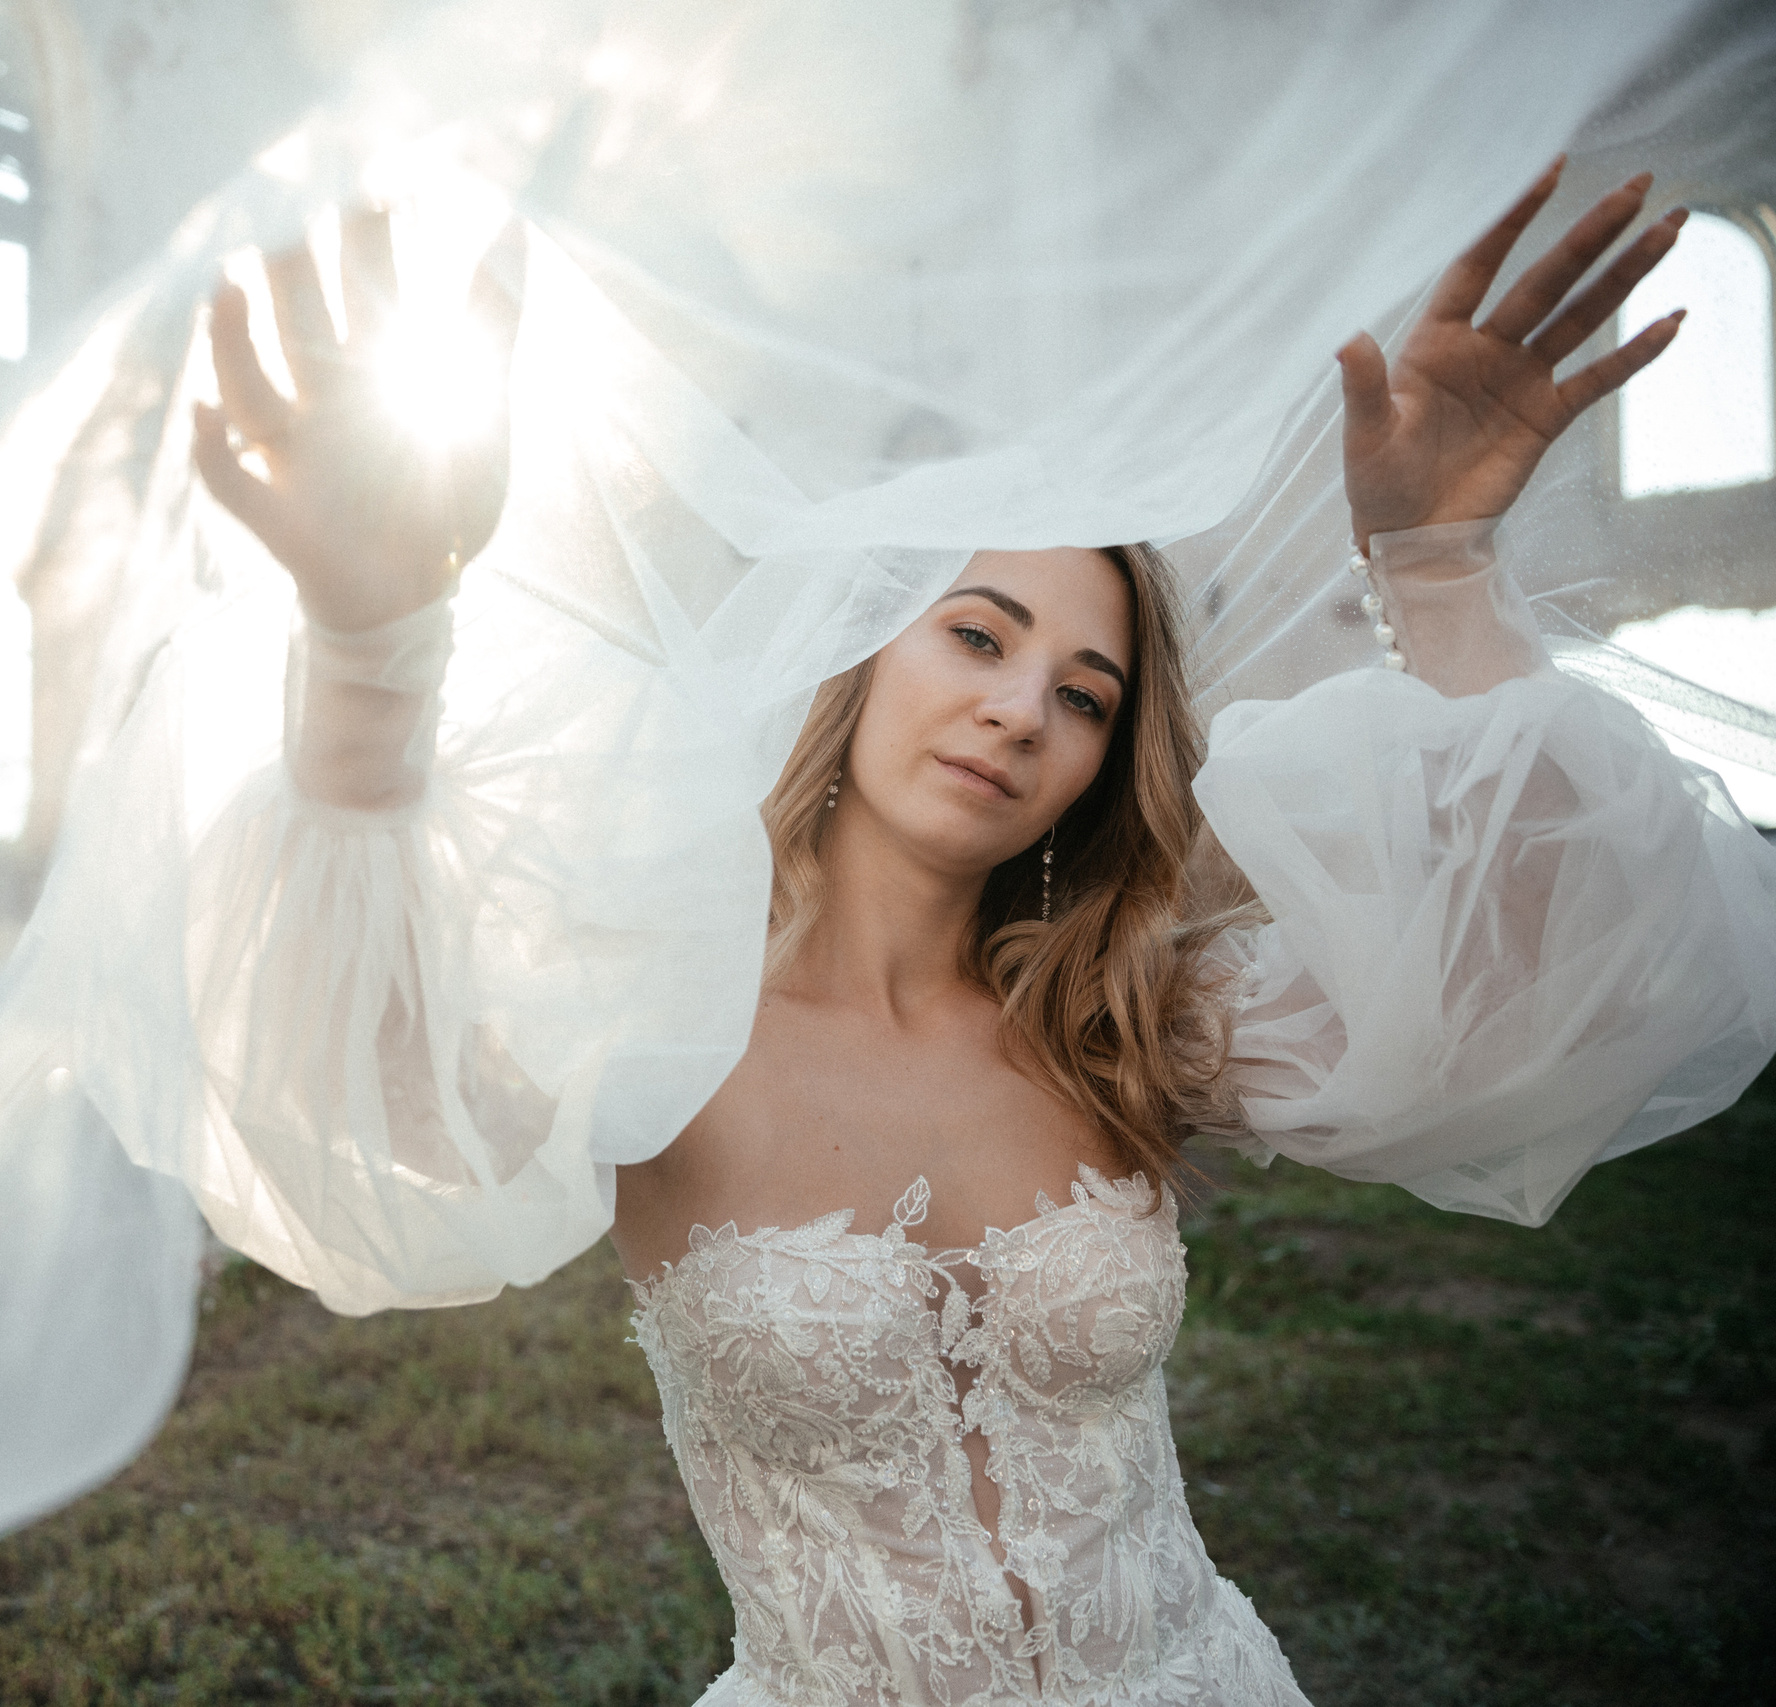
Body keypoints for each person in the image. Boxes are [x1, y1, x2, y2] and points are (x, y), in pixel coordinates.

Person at [185, 163, 1749, 1705]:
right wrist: (370, 649)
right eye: (979, 637)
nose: (1021, 707)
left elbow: (1548, 990)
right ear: (858, 658)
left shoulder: (1130, 1020)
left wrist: (1438, 569)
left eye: (1085, 693)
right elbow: (361, 1099)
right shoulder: (657, 1023)